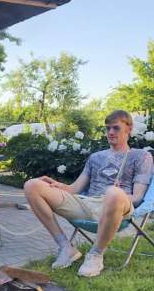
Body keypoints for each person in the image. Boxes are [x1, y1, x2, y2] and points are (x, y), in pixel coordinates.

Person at [24, 110, 153, 277]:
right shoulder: (95, 157)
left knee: (113, 193)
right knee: (32, 185)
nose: (111, 132)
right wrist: (57, 185)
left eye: (116, 128)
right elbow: (75, 189)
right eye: (107, 128)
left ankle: (96, 254)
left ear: (129, 128)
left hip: (118, 207)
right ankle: (66, 247)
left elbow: (137, 197)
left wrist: (113, 196)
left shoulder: (141, 156)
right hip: (86, 204)